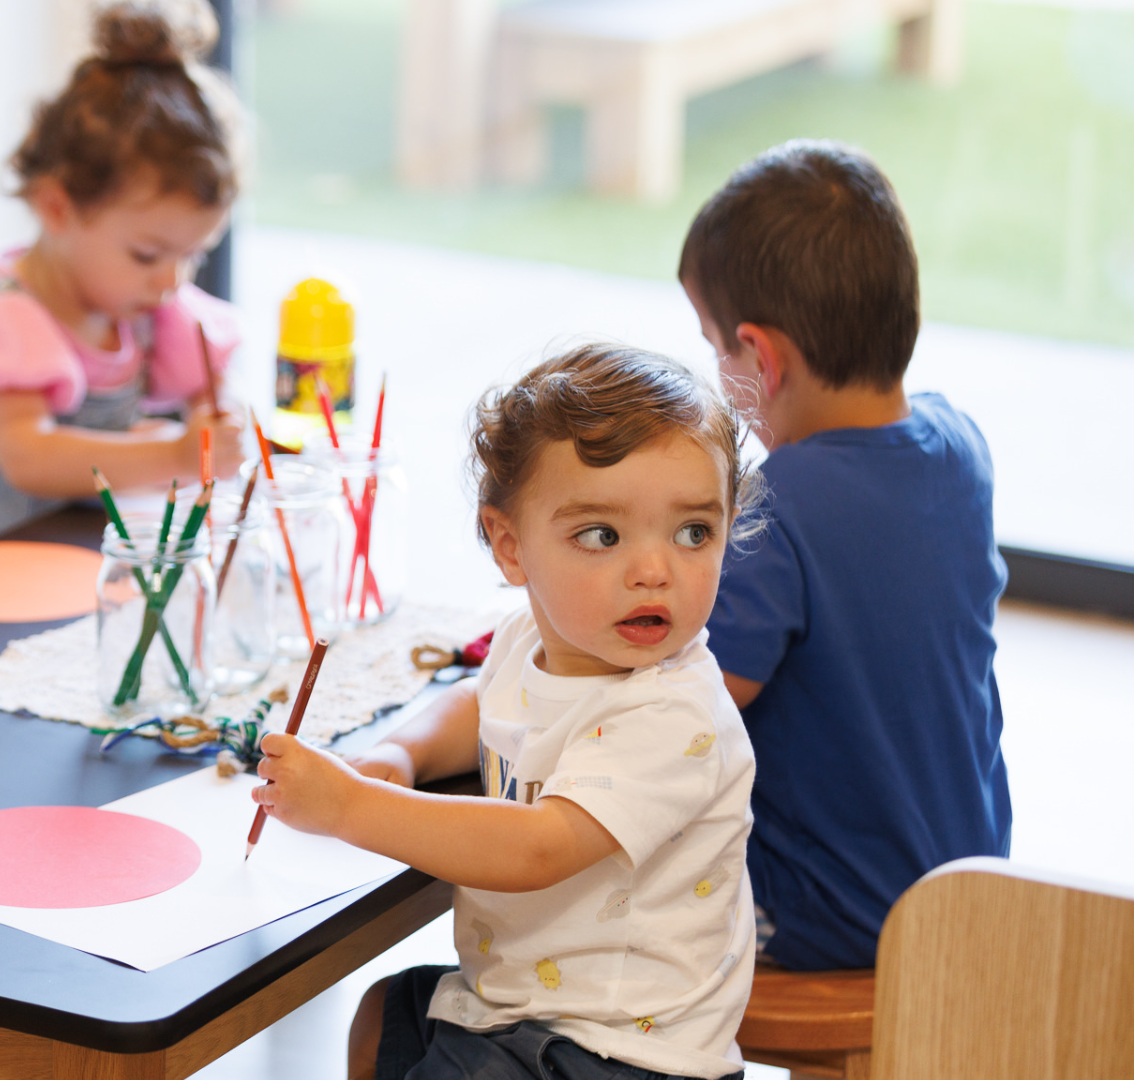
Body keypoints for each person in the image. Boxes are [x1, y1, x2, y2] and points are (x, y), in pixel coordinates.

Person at [256, 345, 761, 1080]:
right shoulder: (533, 636)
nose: (655, 569)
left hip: (624, 1051)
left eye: (694, 532)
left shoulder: (674, 712)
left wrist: (351, 805)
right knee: (381, 1017)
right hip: (522, 1008)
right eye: (603, 535)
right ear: (509, 546)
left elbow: (537, 849)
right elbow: (477, 703)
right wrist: (406, 755)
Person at [679, 140, 1010, 971]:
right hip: (968, 891)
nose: (719, 373)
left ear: (764, 357)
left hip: (835, 922)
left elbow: (692, 709)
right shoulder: (959, 444)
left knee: (602, 886)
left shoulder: (780, 505)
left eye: (716, 347)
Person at [0, 0, 248, 537]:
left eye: (193, 255)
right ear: (57, 207)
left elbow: (215, 384)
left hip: (66, 559)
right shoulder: (5, 324)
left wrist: (221, 417)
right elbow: (29, 456)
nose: (171, 281)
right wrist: (173, 454)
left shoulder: (146, 306)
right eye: (148, 255)